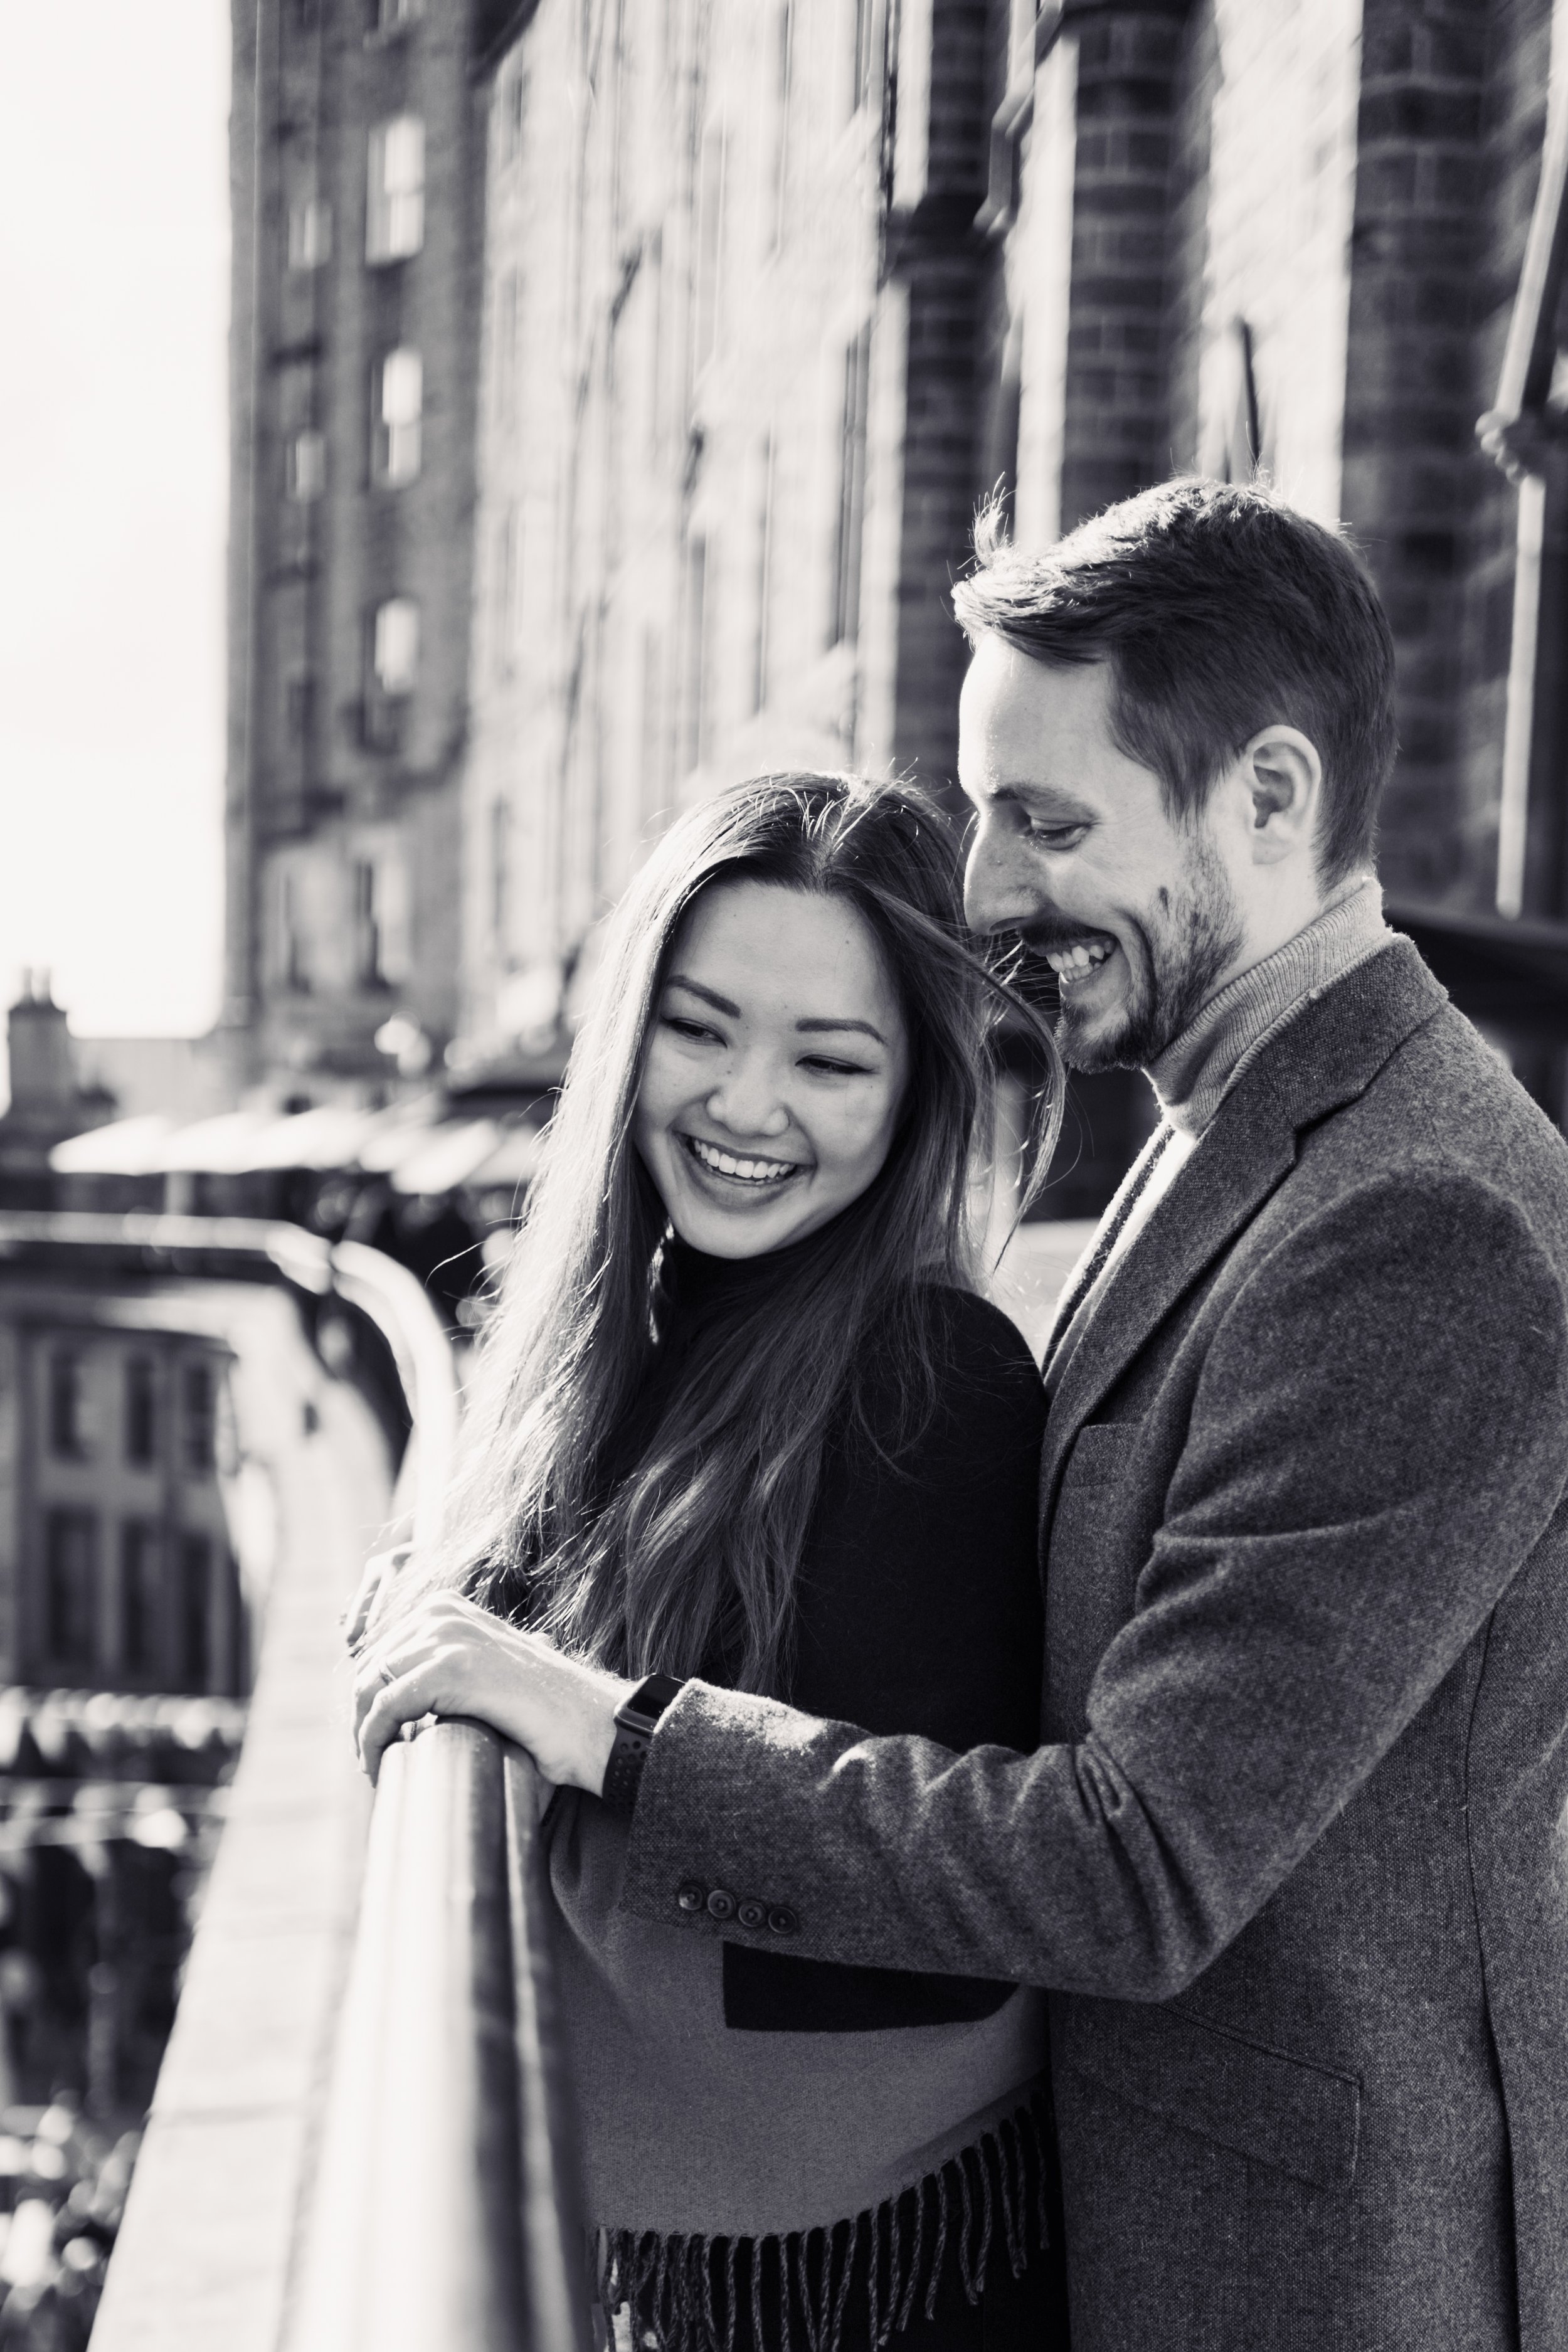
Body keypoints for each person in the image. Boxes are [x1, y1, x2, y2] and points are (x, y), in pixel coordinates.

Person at [440, 480, 1568, 2352]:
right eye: (985, 811)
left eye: (1047, 820)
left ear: (1268, 799)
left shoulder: (1419, 1217)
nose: (980, 890)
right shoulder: (1230, 1123)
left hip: (1293, 2283)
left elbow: (1134, 1861)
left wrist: (612, 1730)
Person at [353, 775, 1072, 2352]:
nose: (748, 1106)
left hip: (874, 2293)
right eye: (699, 1028)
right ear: (628, 1036)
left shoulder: (923, 1371)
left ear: (912, 1094)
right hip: (701, 2266)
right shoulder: (642, 1325)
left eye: (828, 1059)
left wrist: (597, 1731)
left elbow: (935, 1925)